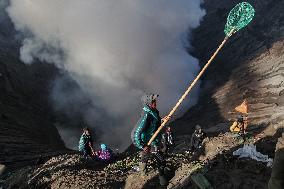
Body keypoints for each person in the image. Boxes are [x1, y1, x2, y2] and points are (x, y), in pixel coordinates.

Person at [131, 94, 168, 186]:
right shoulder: (146, 115)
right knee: (161, 160)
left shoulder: (153, 111)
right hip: (149, 142)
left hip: (152, 140)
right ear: (148, 103)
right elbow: (135, 133)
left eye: (155, 100)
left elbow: (155, 124)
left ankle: (143, 173)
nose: (156, 102)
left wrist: (162, 120)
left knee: (145, 156)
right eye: (153, 101)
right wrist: (142, 145)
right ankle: (162, 180)